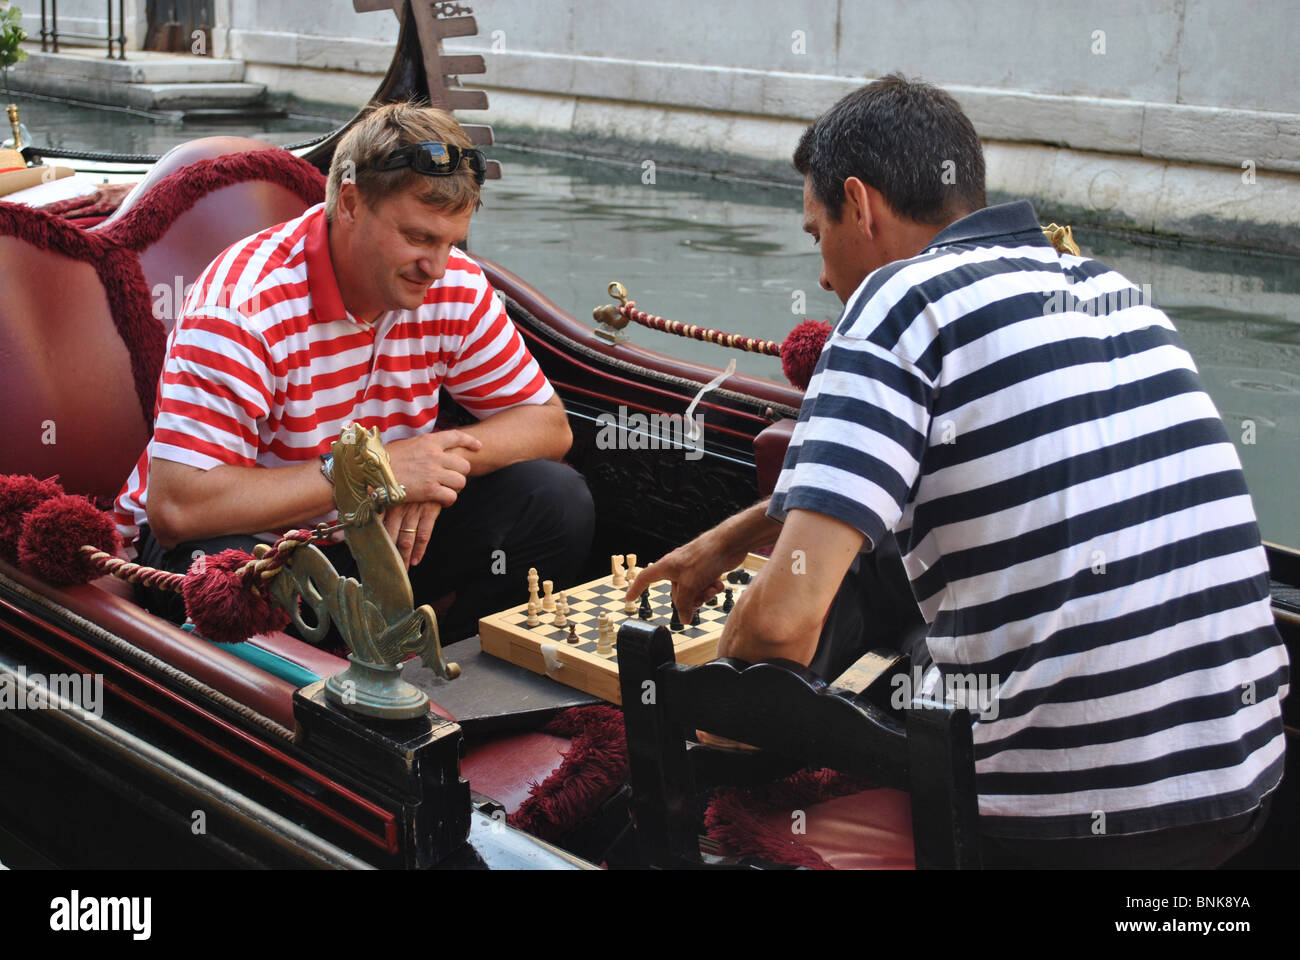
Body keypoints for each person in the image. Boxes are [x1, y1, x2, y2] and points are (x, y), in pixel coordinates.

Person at [628, 75, 1289, 867]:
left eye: (817, 235)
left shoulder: (895, 303)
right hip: (1243, 793)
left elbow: (779, 626)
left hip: (1058, 832)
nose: (825, 278)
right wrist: (730, 537)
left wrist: (715, 681)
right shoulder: (1111, 290)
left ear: (860, 205)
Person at [114, 101, 594, 643]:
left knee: (553, 498)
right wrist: (376, 473)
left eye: (450, 241)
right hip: (235, 543)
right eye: (416, 238)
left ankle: (452, 686)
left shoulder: (452, 284)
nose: (436, 267)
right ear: (349, 203)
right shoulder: (241, 308)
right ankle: (321, 706)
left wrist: (429, 467)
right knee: (238, 578)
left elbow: (549, 426)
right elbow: (179, 507)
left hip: (369, 536)